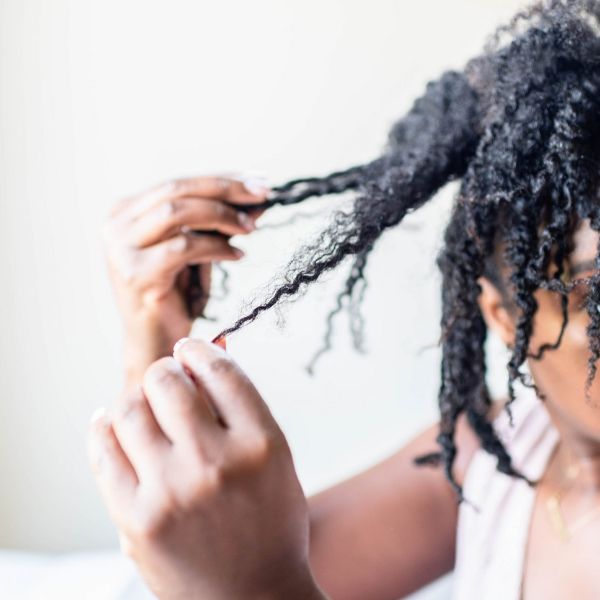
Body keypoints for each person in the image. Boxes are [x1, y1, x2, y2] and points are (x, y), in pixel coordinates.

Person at [87, 0, 600, 598]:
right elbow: (212, 554)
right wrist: (158, 343)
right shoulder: (495, 463)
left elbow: (258, 576)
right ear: (502, 317)